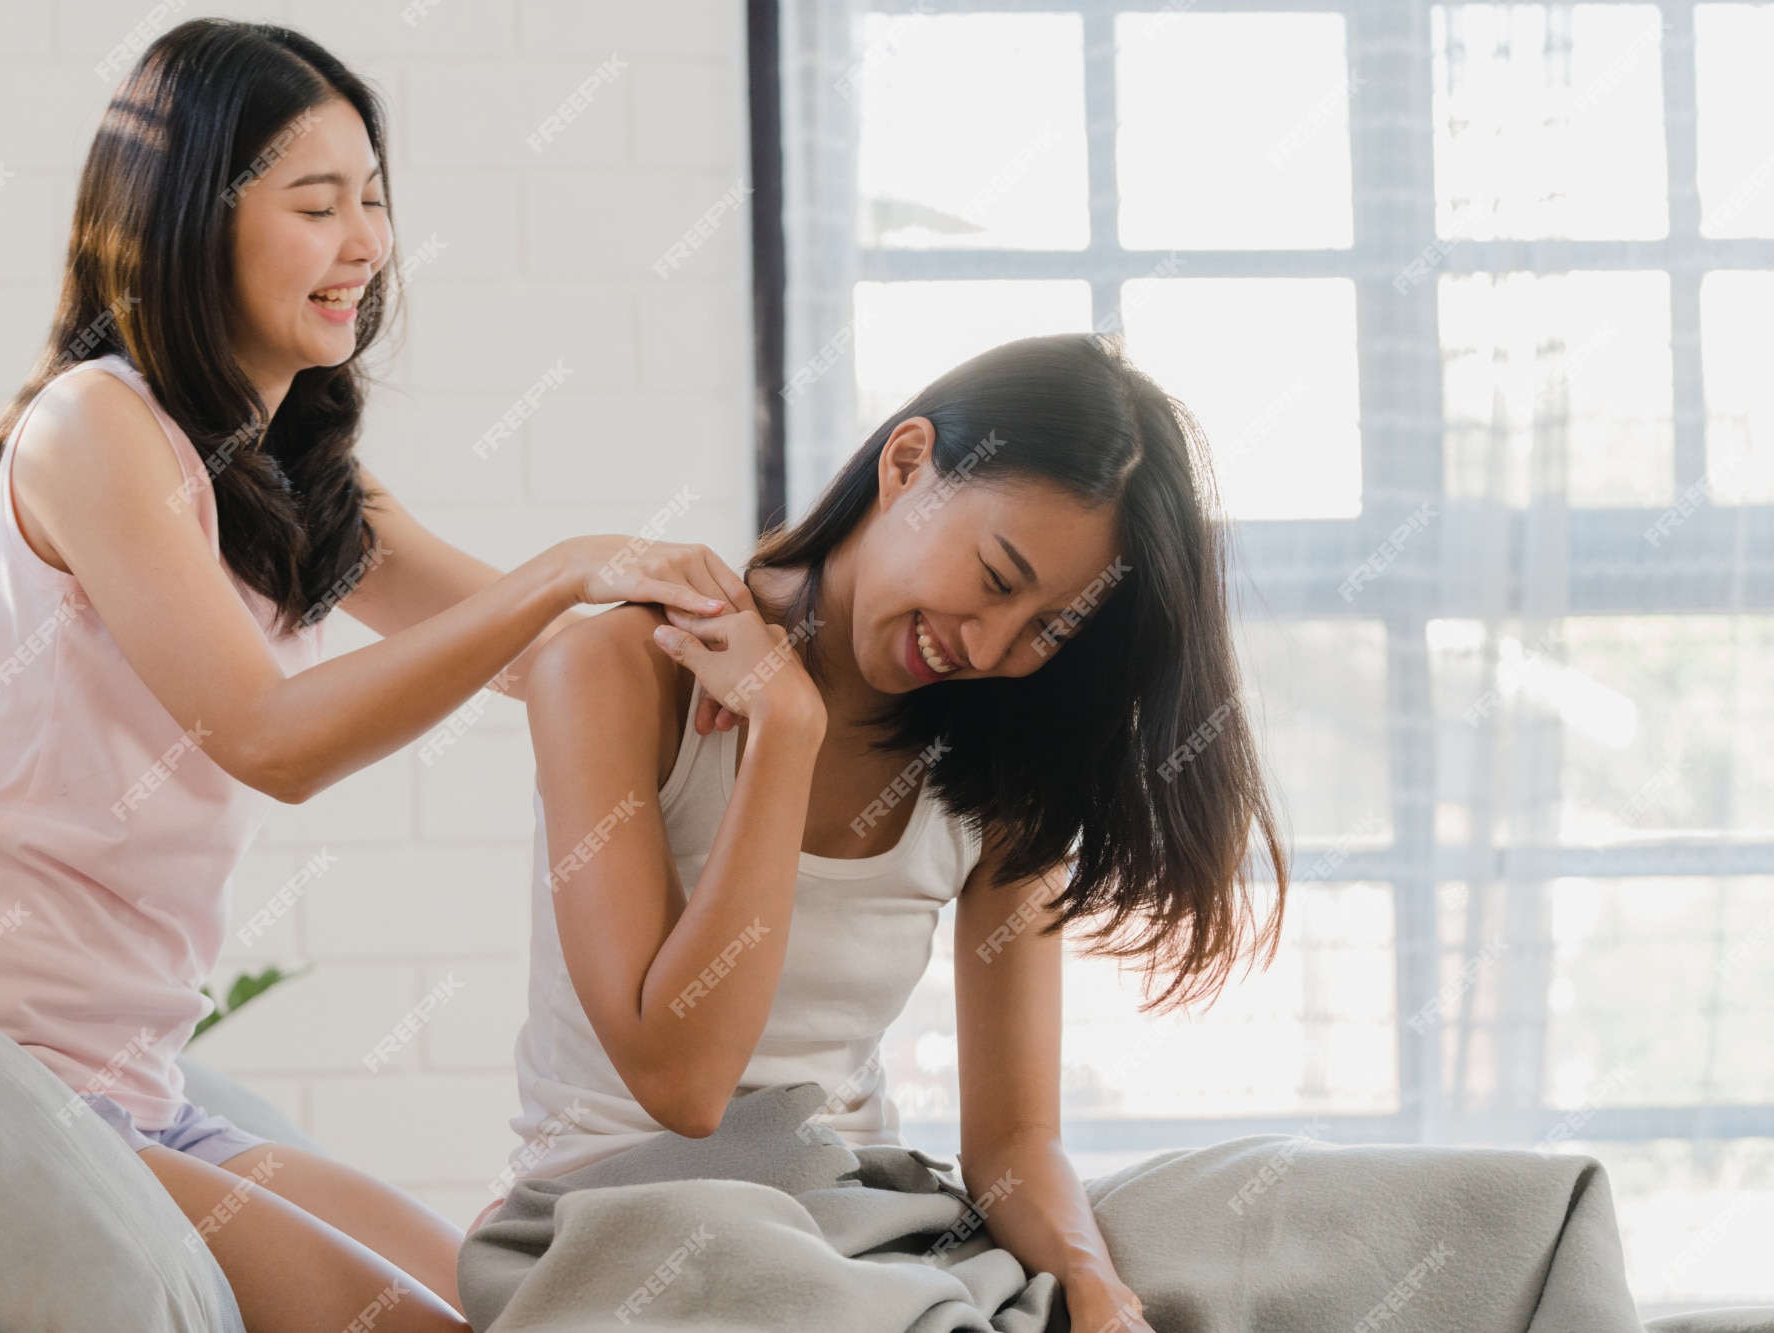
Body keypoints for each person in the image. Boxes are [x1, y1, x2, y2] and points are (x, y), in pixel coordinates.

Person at [0, 20, 747, 1333]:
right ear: (188, 222)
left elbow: (540, 657)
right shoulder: (97, 426)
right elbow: (272, 736)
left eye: (375, 201)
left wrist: (745, 664)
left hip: (139, 1088)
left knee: (507, 1302)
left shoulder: (296, 479)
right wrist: (564, 568)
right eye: (318, 204)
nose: (367, 246)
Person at [474, 332, 1290, 1333]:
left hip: (855, 1223)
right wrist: (785, 730)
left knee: (1276, 1219)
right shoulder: (615, 670)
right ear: (907, 466)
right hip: (629, 1223)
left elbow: (1014, 1141)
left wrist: (1094, 1281)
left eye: (1046, 631)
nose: (987, 646)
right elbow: (682, 1083)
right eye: (995, 576)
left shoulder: (996, 774)